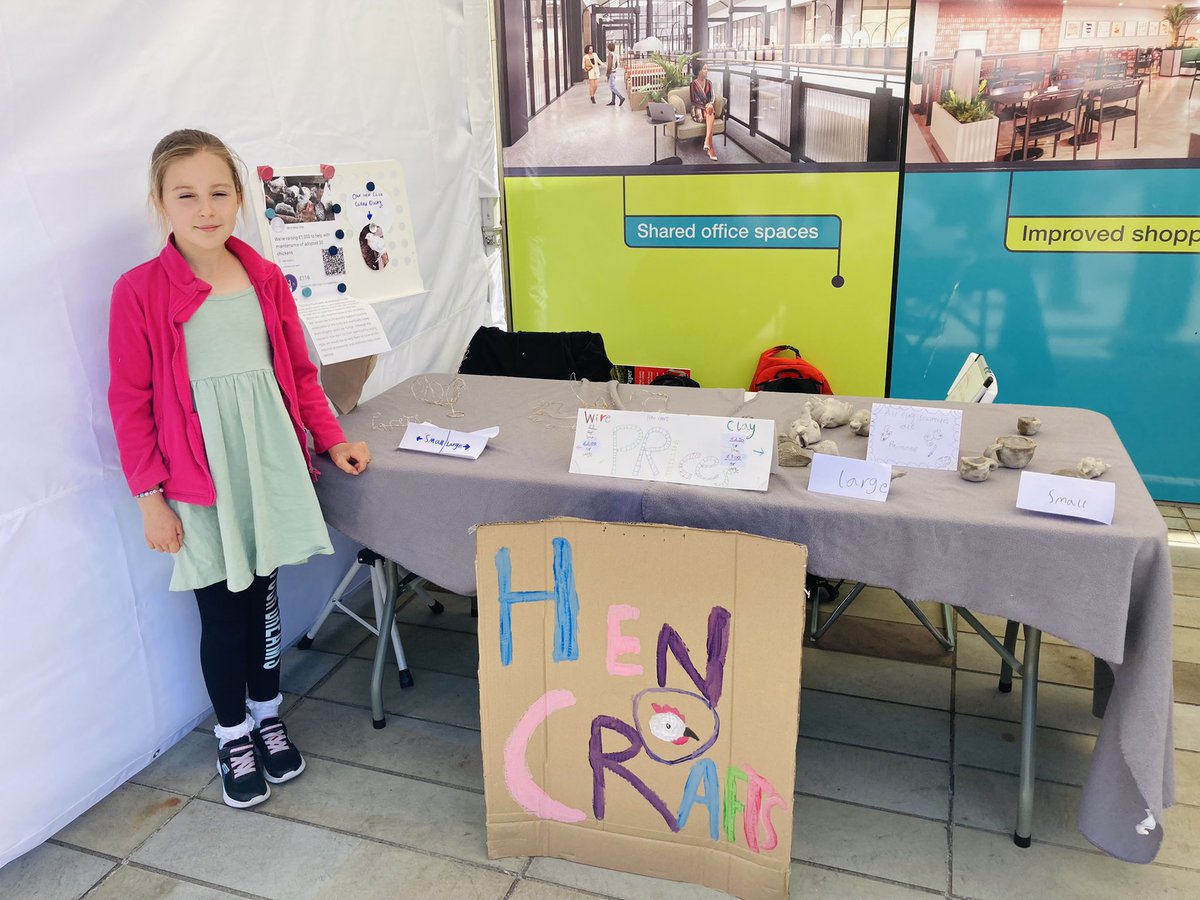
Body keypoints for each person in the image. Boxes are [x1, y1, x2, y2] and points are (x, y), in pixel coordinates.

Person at [108, 129, 371, 810]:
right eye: (186, 194)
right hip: (201, 478)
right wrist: (149, 500)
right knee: (223, 613)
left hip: (268, 463)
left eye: (219, 192)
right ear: (160, 202)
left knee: (263, 604)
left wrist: (330, 436)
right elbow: (130, 403)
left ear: (239, 197)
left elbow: (299, 372)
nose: (205, 208)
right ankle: (232, 733)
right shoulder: (138, 292)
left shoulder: (261, 277)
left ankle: (266, 713)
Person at [689, 59, 718, 161]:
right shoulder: (693, 84)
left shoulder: (709, 83)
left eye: (707, 69)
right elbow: (693, 101)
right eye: (704, 69)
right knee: (710, 111)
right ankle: (710, 146)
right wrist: (706, 106)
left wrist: (710, 104)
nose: (707, 71)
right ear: (699, 71)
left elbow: (712, 97)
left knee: (710, 111)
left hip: (707, 109)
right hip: (697, 110)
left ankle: (708, 144)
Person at [605, 42, 626, 107]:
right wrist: (614, 68)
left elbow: (609, 65)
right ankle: (613, 101)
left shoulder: (610, 55)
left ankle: (621, 97)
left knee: (612, 87)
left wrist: (607, 74)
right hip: (614, 72)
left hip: (611, 72)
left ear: (608, 48)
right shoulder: (614, 54)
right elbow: (616, 64)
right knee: (612, 86)